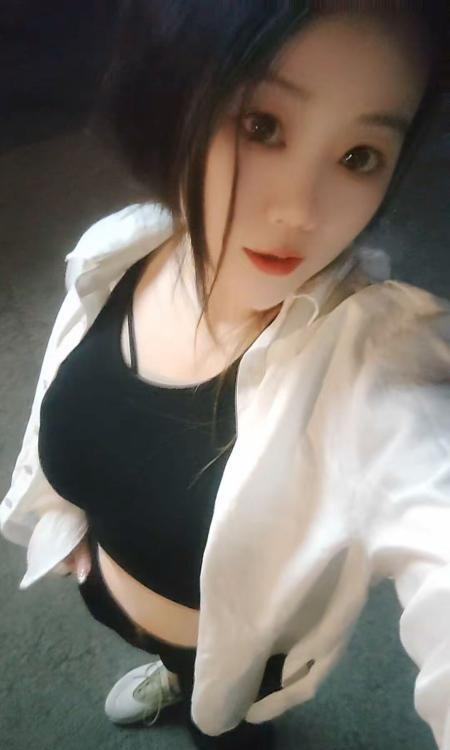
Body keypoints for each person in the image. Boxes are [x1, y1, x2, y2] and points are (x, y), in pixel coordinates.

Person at [1, 2, 449, 749]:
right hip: (100, 589)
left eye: (358, 156)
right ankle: (172, 674)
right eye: (262, 126)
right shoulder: (125, 248)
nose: (298, 212)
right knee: (178, 670)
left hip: (234, 662)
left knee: (226, 727)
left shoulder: (377, 364)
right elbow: (73, 407)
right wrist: (68, 520)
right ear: (177, 99)